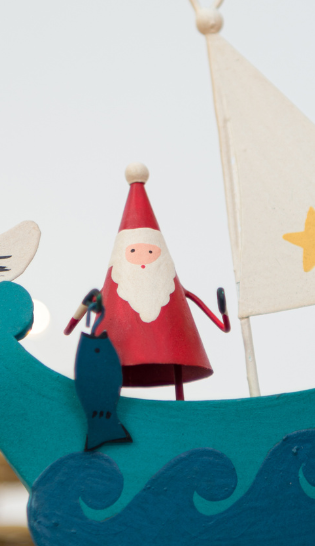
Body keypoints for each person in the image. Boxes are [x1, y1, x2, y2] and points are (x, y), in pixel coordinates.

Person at [64, 163, 228, 400]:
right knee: (110, 364)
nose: (143, 258)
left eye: (151, 252)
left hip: (170, 346)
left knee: (169, 360)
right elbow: (82, 312)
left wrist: (223, 318)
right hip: (115, 347)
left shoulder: (169, 288)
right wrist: (71, 325)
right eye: (133, 252)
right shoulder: (113, 290)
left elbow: (221, 324)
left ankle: (177, 405)